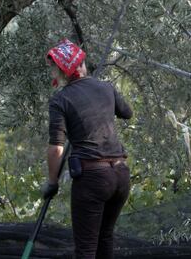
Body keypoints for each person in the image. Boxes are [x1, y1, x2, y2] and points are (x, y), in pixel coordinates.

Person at [41, 39, 133, 258]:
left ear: (62, 72)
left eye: (53, 68)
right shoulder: (106, 87)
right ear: (81, 64)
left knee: (86, 250)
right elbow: (127, 113)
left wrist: (52, 183)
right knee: (105, 238)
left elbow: (56, 149)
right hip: (120, 175)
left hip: (93, 179)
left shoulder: (60, 101)